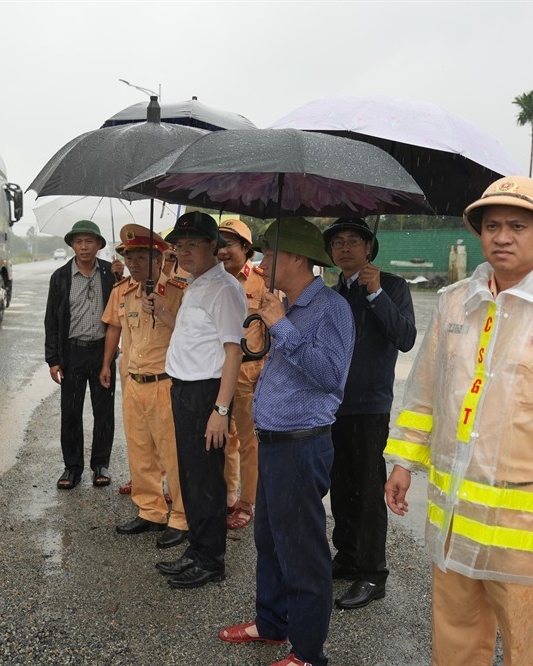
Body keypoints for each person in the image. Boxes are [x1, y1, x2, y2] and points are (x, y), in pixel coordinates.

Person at [384, 176, 533, 665]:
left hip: (526, 533)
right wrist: (403, 462)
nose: (502, 237)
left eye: (517, 226)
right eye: (492, 226)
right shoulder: (457, 301)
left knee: (530, 650)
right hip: (455, 520)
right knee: (454, 645)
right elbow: (427, 392)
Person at [219, 218, 354, 666]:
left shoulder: (331, 308)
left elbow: (331, 376)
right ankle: (272, 623)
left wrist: (282, 326)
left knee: (302, 551)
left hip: (301, 445)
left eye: (270, 253)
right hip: (275, 442)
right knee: (270, 540)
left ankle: (309, 652)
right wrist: (277, 320)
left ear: (297, 258)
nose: (261, 262)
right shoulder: (287, 303)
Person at [324, 218, 417, 610]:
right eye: (338, 242)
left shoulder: (392, 286)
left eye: (353, 241)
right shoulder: (332, 294)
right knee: (340, 487)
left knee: (366, 491)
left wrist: (376, 293)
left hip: (370, 406)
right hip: (333, 405)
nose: (345, 248)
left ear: (369, 247)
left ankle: (372, 573)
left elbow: (406, 338)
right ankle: (347, 556)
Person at [152, 211, 246, 590]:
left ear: (213, 246)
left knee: (206, 479)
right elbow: (194, 336)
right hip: (184, 391)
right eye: (179, 245)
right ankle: (196, 548)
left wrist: (220, 410)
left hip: (207, 393)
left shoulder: (224, 289)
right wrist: (163, 312)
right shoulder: (196, 284)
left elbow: (233, 352)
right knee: (191, 476)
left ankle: (211, 560)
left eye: (192, 244)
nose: (184, 252)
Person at [100, 224, 189, 549]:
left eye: (140, 257)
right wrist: (107, 365)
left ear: (159, 258)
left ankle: (182, 517)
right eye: (129, 257)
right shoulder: (122, 291)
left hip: (165, 384)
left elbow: (190, 335)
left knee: (173, 454)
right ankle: (151, 510)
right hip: (133, 382)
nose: (133, 263)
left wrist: (161, 309)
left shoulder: (178, 291)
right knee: (140, 452)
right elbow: (116, 330)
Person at [44, 219, 119, 490]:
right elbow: (51, 320)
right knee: (71, 412)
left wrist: (122, 277)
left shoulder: (110, 273)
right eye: (78, 242)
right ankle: (72, 467)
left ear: (99, 245)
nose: (84, 247)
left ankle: (100, 465)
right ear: (72, 245)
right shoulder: (60, 277)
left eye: (89, 241)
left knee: (104, 411)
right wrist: (53, 360)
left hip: (103, 352)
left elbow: (125, 307)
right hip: (72, 353)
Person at [217, 218, 269, 530]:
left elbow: (274, 331)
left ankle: (247, 502)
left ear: (246, 248)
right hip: (218, 372)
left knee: (250, 442)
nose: (221, 250)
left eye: (228, 244)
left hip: (250, 374)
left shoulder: (263, 283)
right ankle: (228, 494)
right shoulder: (213, 280)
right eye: (218, 244)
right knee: (223, 438)